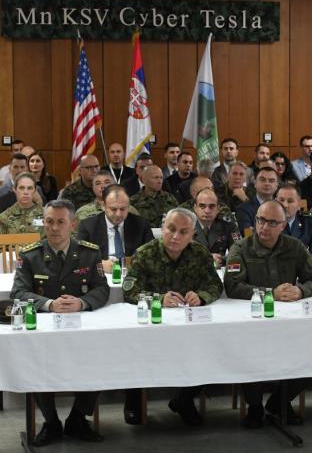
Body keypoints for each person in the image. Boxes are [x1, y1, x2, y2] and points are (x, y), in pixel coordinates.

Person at [11, 199, 109, 446]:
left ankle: (77, 419)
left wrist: (82, 303)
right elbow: (18, 292)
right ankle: (51, 422)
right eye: (49, 222)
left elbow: (102, 289)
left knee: (101, 357)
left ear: (72, 224)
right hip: (45, 330)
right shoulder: (30, 254)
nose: (54, 228)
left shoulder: (89, 252)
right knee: (34, 363)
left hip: (81, 328)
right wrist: (48, 304)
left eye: (61, 222)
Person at [224, 200, 312, 429]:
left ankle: (280, 402)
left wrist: (301, 291)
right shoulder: (241, 248)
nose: (264, 227)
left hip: (290, 320)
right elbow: (233, 287)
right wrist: (270, 294)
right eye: (260, 220)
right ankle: (255, 407)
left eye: (272, 223)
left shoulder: (295, 247)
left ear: (283, 225)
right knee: (247, 355)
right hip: (254, 320)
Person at [123, 208, 223, 426]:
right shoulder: (145, 253)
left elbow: (215, 285)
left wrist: (201, 296)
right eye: (171, 229)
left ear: (192, 234)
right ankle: (134, 402)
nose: (175, 236)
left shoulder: (200, 253)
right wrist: (159, 299)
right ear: (162, 228)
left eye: (183, 232)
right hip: (153, 325)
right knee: (133, 347)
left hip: (189, 326)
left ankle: (184, 400)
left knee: (212, 348)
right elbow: (129, 291)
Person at [77, 185, 154, 273]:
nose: (118, 214)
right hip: (101, 275)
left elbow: (152, 255)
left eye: (123, 209)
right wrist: (99, 265)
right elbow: (79, 257)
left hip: (132, 274)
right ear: (103, 206)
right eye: (113, 209)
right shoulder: (88, 226)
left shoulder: (141, 224)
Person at [275, 183, 312, 263]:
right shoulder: (267, 222)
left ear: (299, 204)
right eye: (281, 200)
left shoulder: (311, 221)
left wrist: (308, 262)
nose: (285, 205)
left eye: (290, 201)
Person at [193, 187, 241, 267]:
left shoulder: (229, 226)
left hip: (220, 270)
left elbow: (239, 252)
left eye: (211, 206)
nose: (207, 211)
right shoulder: (186, 227)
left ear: (218, 208)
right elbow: (178, 256)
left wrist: (222, 260)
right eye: (202, 206)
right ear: (195, 208)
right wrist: (206, 259)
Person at [235, 167, 279, 234]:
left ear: (277, 185)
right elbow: (248, 235)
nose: (267, 184)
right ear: (255, 183)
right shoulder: (243, 209)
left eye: (271, 181)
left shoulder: (281, 208)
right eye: (263, 180)